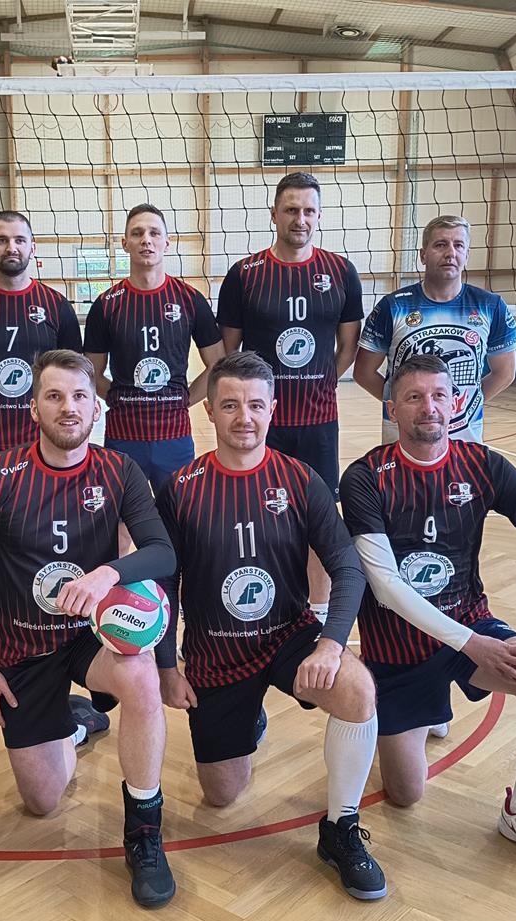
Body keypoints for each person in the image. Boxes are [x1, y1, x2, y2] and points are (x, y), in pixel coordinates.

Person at [339, 354, 516, 877]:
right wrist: (473, 644)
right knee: (406, 795)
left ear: (457, 404)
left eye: (438, 395)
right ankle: (427, 710)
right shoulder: (364, 477)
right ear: (392, 409)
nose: (428, 407)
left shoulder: (484, 465)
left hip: (470, 625)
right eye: (413, 397)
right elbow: (387, 588)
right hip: (398, 652)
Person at [0, 349, 179, 908]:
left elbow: (162, 552)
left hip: (87, 638)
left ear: (97, 408)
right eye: (54, 396)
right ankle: (75, 724)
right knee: (43, 802)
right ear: (34, 408)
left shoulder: (118, 470)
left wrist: (108, 573)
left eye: (80, 396)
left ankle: (144, 831)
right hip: (22, 646)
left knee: (141, 678)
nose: (68, 407)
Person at [155, 351, 386, 900]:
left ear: (273, 409)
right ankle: (249, 718)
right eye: (230, 405)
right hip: (215, 653)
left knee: (357, 689)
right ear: (208, 410)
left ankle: (341, 828)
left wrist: (330, 644)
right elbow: (164, 585)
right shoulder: (181, 488)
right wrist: (166, 667)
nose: (245, 418)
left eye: (256, 405)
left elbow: (347, 567)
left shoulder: (300, 479)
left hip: (288, 636)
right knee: (221, 795)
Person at [216, 172, 363, 623]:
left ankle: (318, 609)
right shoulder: (244, 275)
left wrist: (322, 382)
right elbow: (228, 353)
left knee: (319, 517)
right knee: (256, 514)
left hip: (318, 421)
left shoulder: (341, 271)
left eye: (309, 211)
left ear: (318, 216)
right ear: (274, 214)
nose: (300, 219)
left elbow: (348, 346)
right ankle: (264, 601)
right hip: (261, 424)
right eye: (291, 210)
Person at [0, 210, 83, 684]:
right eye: (2, 240)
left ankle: (61, 629)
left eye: (20, 240)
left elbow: (73, 375)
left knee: (51, 542)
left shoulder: (55, 306)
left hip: (47, 452)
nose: (12, 248)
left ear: (33, 247)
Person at [84, 204, 224, 492]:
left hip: (174, 434)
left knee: (178, 513)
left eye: (154, 233)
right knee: (120, 515)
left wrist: (183, 400)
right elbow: (90, 373)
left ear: (167, 243)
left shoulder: (190, 300)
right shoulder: (106, 305)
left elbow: (217, 365)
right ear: (125, 243)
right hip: (123, 435)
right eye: (137, 233)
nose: (146, 240)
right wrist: (118, 396)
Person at [354, 214, 516, 446]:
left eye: (458, 245)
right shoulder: (393, 306)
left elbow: (505, 373)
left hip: (463, 439)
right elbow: (363, 373)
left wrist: (460, 405)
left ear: (467, 254)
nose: (450, 252)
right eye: (440, 244)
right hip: (403, 440)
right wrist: (404, 406)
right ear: (423, 255)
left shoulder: (491, 306)